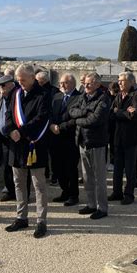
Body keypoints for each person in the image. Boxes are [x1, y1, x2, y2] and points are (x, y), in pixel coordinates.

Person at [4, 64, 51, 238]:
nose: (20, 82)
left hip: (34, 145)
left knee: (38, 185)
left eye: (23, 79)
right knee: (19, 183)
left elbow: (41, 118)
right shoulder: (15, 94)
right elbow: (8, 115)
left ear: (32, 78)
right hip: (16, 146)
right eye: (18, 80)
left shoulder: (44, 95)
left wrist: (21, 132)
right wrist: (10, 130)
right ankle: (21, 217)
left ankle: (41, 220)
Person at [70, 72, 110, 219]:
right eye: (85, 83)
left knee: (99, 178)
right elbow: (71, 110)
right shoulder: (83, 96)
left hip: (97, 143)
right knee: (87, 177)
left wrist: (78, 120)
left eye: (89, 83)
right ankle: (91, 204)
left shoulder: (103, 98)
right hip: (82, 141)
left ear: (97, 84)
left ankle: (102, 208)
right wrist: (83, 112)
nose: (85, 85)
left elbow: (95, 120)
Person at [109, 71, 137, 205]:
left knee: (130, 168)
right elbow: (110, 113)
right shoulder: (118, 96)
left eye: (122, 80)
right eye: (119, 80)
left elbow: (133, 116)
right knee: (117, 168)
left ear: (131, 82)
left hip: (130, 138)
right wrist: (123, 112)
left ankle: (129, 194)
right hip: (117, 137)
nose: (119, 83)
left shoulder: (136, 96)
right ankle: (117, 192)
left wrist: (119, 112)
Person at [49, 73, 81, 207]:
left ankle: (73, 195)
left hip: (70, 138)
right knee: (57, 167)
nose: (62, 85)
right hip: (55, 138)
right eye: (61, 83)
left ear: (72, 83)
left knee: (70, 168)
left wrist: (60, 127)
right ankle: (65, 191)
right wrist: (51, 125)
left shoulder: (79, 98)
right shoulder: (56, 96)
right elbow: (49, 113)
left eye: (65, 83)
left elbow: (76, 119)